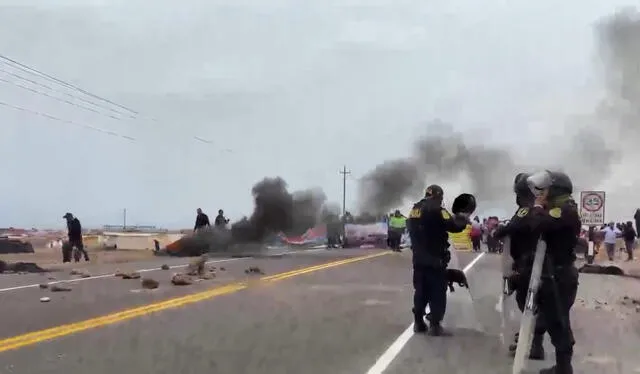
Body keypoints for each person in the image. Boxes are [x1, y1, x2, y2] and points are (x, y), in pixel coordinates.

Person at [529, 171, 580, 374]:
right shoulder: (560, 207)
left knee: (559, 322)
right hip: (555, 273)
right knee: (554, 320)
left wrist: (538, 208)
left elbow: (540, 224)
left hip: (560, 275)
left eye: (546, 189)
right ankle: (562, 366)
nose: (542, 193)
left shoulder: (564, 209)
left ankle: (564, 368)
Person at [494, 173, 546, 360]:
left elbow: (511, 228)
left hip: (529, 266)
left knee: (529, 305)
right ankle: (530, 339)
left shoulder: (526, 210)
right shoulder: (541, 209)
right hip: (535, 265)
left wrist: (499, 230)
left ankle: (532, 343)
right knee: (532, 305)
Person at [407, 184, 469, 336]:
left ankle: (418, 322)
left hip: (419, 259)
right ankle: (435, 324)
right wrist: (463, 218)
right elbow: (453, 226)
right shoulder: (438, 209)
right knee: (437, 292)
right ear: (439, 196)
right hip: (436, 260)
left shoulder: (414, 210)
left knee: (420, 291)